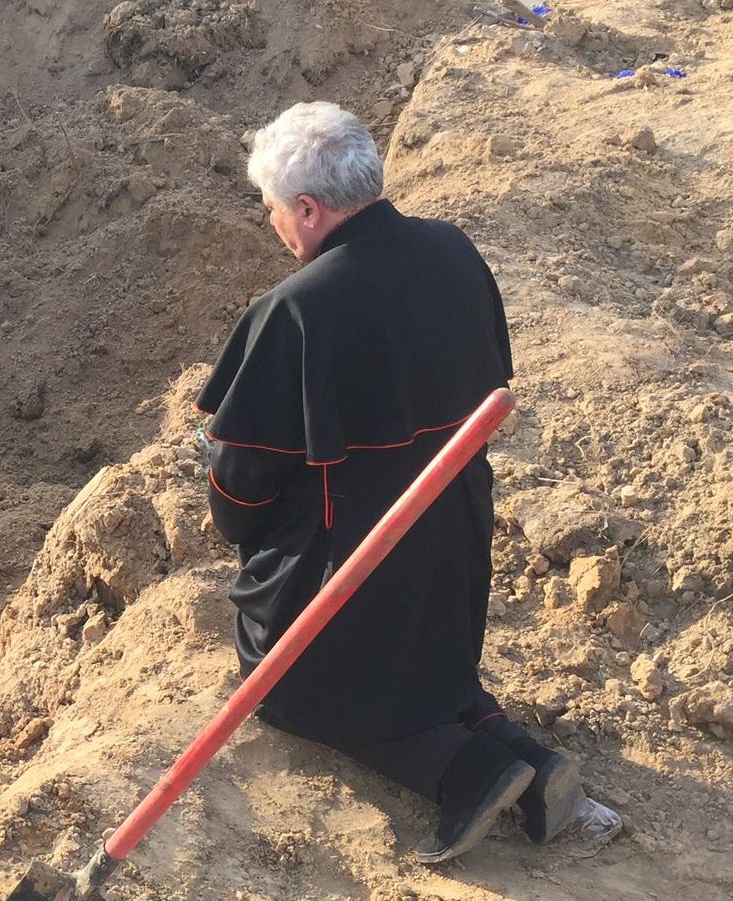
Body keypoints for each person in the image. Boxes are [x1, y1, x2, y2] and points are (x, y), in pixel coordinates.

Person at [195, 101, 582, 863]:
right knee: (432, 676)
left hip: (353, 577)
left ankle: (468, 772)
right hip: (456, 558)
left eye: (273, 209)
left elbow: (239, 497)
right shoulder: (455, 251)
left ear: (307, 209)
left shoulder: (295, 310)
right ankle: (527, 762)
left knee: (284, 684)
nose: (273, 224)